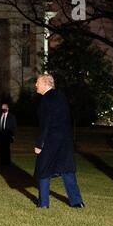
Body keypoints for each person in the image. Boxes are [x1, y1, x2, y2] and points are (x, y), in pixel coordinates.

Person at [34, 74, 85, 209]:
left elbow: (46, 123)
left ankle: (43, 203)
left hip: (51, 141)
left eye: (38, 82)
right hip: (65, 141)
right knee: (67, 170)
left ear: (45, 83)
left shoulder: (45, 100)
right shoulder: (61, 96)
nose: (36, 85)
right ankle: (77, 202)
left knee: (43, 170)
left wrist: (40, 144)